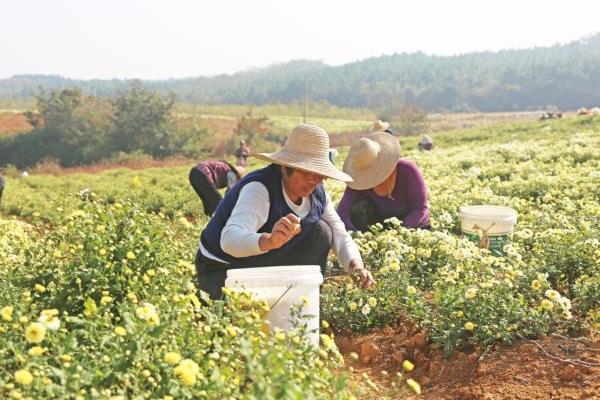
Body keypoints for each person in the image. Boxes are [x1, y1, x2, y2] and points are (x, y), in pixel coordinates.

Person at [195, 124, 375, 300]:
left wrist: (356, 267)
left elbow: (339, 234)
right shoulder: (259, 189)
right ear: (284, 166)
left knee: (322, 232)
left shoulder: (317, 194)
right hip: (224, 268)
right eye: (305, 171)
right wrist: (269, 240)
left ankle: (301, 305)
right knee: (238, 321)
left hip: (266, 263)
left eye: (319, 173)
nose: (312, 180)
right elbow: (229, 240)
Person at [337, 131, 430, 232]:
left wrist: (400, 231)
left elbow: (420, 208)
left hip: (412, 226)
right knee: (357, 206)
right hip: (379, 227)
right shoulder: (359, 180)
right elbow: (343, 212)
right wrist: (354, 233)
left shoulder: (407, 169)